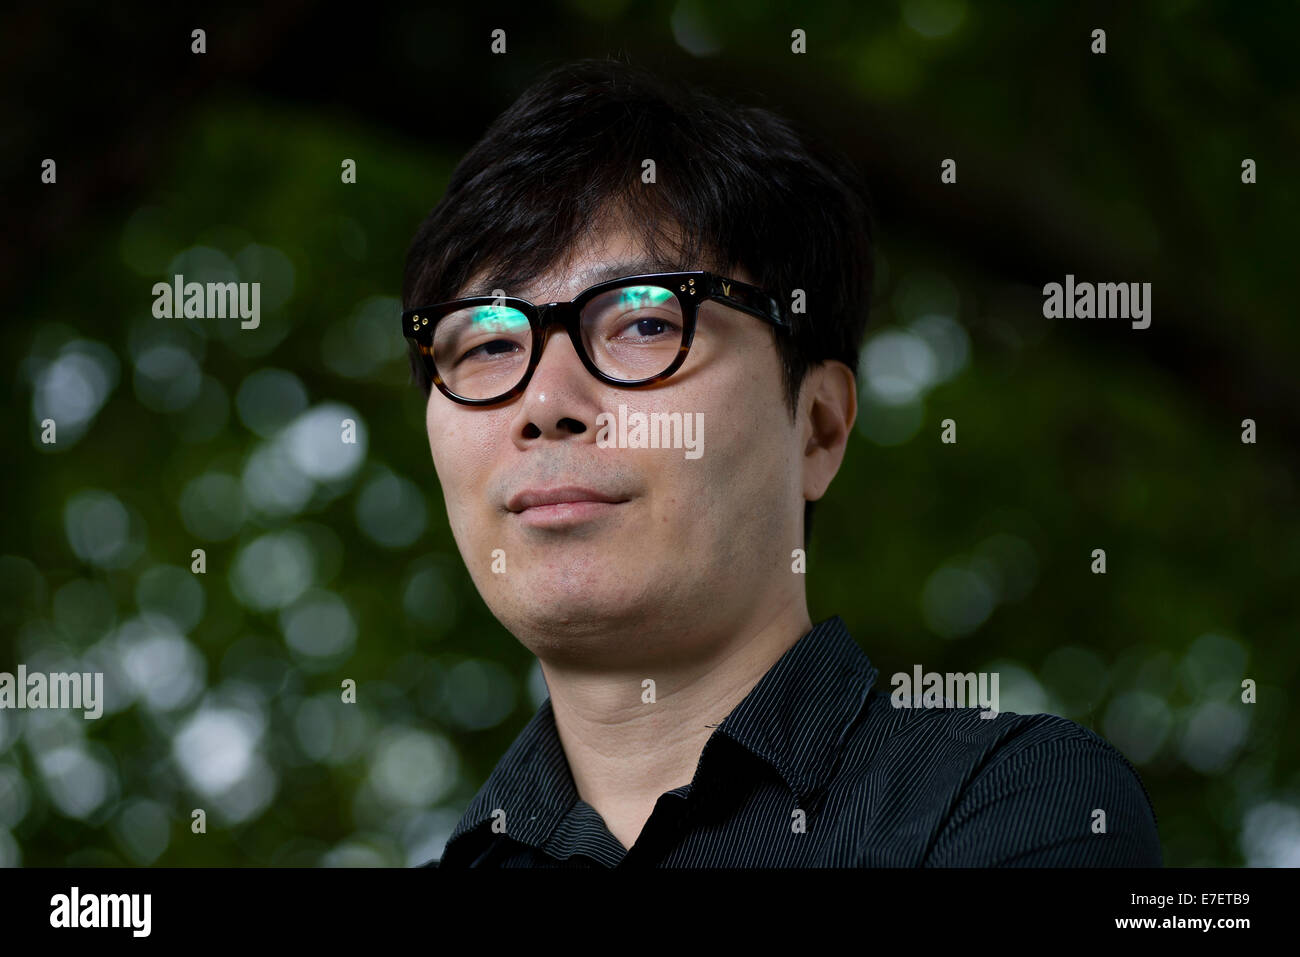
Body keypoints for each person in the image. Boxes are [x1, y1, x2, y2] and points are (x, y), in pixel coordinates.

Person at [399, 56, 1161, 867]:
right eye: (486, 342)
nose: (546, 400)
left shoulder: (1019, 803)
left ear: (820, 428)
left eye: (647, 322)